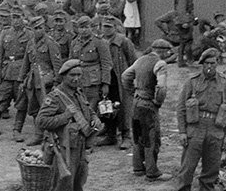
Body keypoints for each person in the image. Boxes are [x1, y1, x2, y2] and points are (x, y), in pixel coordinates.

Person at [36, 59, 100, 191]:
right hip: (63, 150)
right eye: (72, 75)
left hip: (80, 148)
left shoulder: (78, 94)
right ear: (63, 77)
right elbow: (41, 121)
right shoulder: (56, 97)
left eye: (79, 75)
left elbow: (88, 111)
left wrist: (95, 119)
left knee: (77, 189)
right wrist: (65, 117)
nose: (76, 79)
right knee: (63, 190)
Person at [169, 48, 226, 191]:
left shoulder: (224, 83)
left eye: (213, 63)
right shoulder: (192, 82)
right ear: (202, 64)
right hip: (195, 129)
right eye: (207, 63)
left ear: (217, 64)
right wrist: (182, 132)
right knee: (187, 167)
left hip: (215, 130)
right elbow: (181, 108)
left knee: (211, 168)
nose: (210, 67)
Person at [122, 39, 174, 181]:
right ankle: (152, 171)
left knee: (138, 136)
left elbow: (125, 76)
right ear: (162, 51)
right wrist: (158, 101)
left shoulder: (140, 60)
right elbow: (161, 87)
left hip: (137, 103)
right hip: (148, 105)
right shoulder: (160, 64)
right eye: (168, 51)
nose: (169, 54)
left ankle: (138, 167)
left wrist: (133, 92)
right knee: (151, 138)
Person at [18, 15, 62, 146]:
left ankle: (50, 136)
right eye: (35, 28)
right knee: (34, 108)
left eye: (40, 27)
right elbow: (26, 63)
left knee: (47, 109)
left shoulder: (51, 43)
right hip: (33, 80)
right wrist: (21, 79)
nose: (38, 30)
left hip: (46, 81)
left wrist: (56, 82)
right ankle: (38, 135)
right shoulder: (30, 43)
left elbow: (57, 65)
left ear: (44, 28)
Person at [0, 9, 30, 141]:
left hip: (21, 73)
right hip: (6, 73)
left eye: (18, 17)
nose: (15, 20)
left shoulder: (29, 34)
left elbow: (30, 57)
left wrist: (26, 76)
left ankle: (17, 130)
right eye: (13, 17)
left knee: (21, 103)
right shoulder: (5, 32)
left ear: (23, 18)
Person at [97, 17, 136, 148]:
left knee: (123, 108)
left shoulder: (123, 42)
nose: (106, 29)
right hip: (106, 79)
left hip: (121, 79)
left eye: (109, 27)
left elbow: (133, 61)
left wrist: (131, 79)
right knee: (106, 106)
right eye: (104, 26)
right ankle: (110, 134)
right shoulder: (100, 41)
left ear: (115, 28)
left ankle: (126, 135)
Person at [69, 15, 113, 114]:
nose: (84, 30)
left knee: (90, 111)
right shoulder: (75, 42)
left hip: (93, 82)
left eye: (86, 27)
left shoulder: (99, 42)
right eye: (81, 28)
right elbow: (70, 62)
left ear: (91, 28)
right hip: (78, 81)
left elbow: (106, 64)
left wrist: (105, 84)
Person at [174, 0, 197, 67]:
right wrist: (184, 22)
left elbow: (189, 10)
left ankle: (183, 61)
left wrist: (194, 19)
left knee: (184, 42)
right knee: (186, 42)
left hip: (186, 21)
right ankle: (188, 60)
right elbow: (181, 10)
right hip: (184, 22)